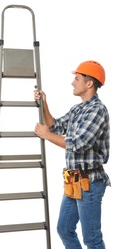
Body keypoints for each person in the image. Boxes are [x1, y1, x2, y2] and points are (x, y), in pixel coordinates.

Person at [34, 60, 111, 249]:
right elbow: (55, 125)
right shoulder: (78, 109)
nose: (72, 82)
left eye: (77, 79)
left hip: (90, 183)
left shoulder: (97, 110)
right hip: (74, 181)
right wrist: (43, 103)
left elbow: (79, 143)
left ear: (89, 83)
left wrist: (47, 135)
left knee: (92, 239)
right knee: (65, 229)